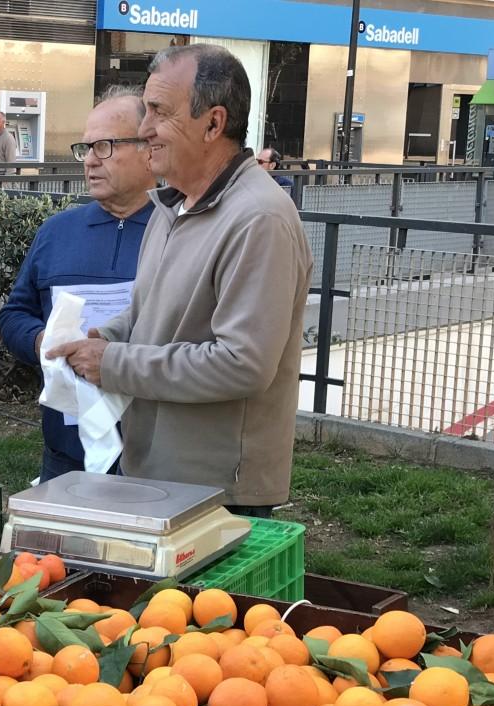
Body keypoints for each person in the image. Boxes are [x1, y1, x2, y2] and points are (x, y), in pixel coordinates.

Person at [49, 45, 313, 515]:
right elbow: (151, 312)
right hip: (158, 472)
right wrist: (103, 337)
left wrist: (113, 362)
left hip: (216, 491)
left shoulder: (259, 218)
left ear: (213, 124)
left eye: (159, 112)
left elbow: (242, 364)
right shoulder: (173, 205)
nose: (144, 129)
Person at [0, 86, 155, 481]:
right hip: (66, 454)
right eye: (85, 148)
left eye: (104, 146)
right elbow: (15, 313)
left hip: (154, 456)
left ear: (148, 148)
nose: (89, 161)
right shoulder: (57, 231)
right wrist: (42, 342)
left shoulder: (179, 234)